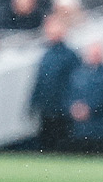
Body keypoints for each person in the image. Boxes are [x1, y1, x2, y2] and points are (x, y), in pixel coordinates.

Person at [28, 15, 79, 151]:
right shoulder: (46, 54)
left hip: (62, 110)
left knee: (61, 145)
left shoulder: (70, 55)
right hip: (47, 109)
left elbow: (75, 83)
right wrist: (33, 104)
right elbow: (40, 82)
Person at [66, 40, 103, 155]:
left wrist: (87, 108)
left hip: (99, 124)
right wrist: (73, 107)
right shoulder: (78, 73)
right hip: (80, 126)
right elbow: (70, 93)